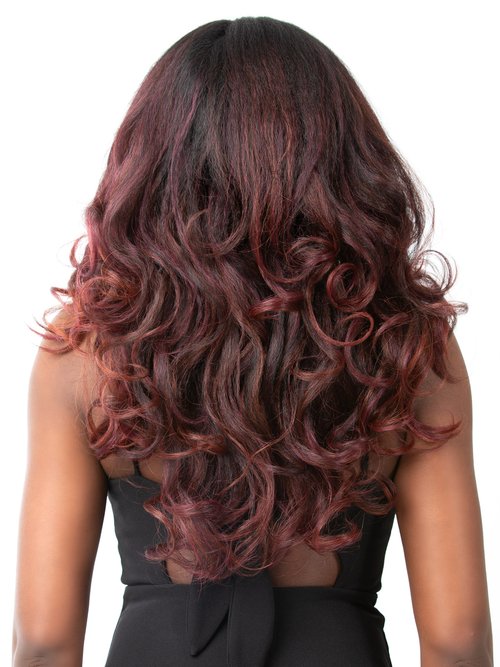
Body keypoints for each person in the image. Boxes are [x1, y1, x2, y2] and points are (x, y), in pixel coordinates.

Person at [12, 16, 493, 667]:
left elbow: (43, 641)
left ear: (153, 164)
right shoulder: (407, 342)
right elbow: (458, 640)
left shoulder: (87, 345)